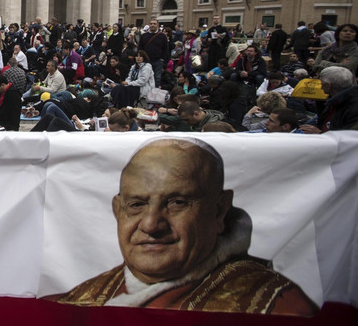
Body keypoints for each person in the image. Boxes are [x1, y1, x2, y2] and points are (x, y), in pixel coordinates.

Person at [49, 137, 317, 315]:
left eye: (177, 202)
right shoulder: (84, 293)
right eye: (136, 204)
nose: (152, 224)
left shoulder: (276, 304)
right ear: (117, 211)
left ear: (220, 210)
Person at [299, 66, 358, 133]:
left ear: (328, 85)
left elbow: (350, 138)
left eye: (321, 84)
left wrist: (320, 134)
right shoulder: (333, 100)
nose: (321, 88)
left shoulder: (353, 108)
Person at [138, 20, 170, 88]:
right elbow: (140, 48)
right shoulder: (144, 36)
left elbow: (166, 49)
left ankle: (155, 94)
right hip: (146, 61)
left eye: (154, 24)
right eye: (151, 23)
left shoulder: (162, 36)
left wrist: (163, 61)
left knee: (157, 78)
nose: (152, 25)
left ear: (157, 25)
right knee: (144, 77)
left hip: (158, 61)